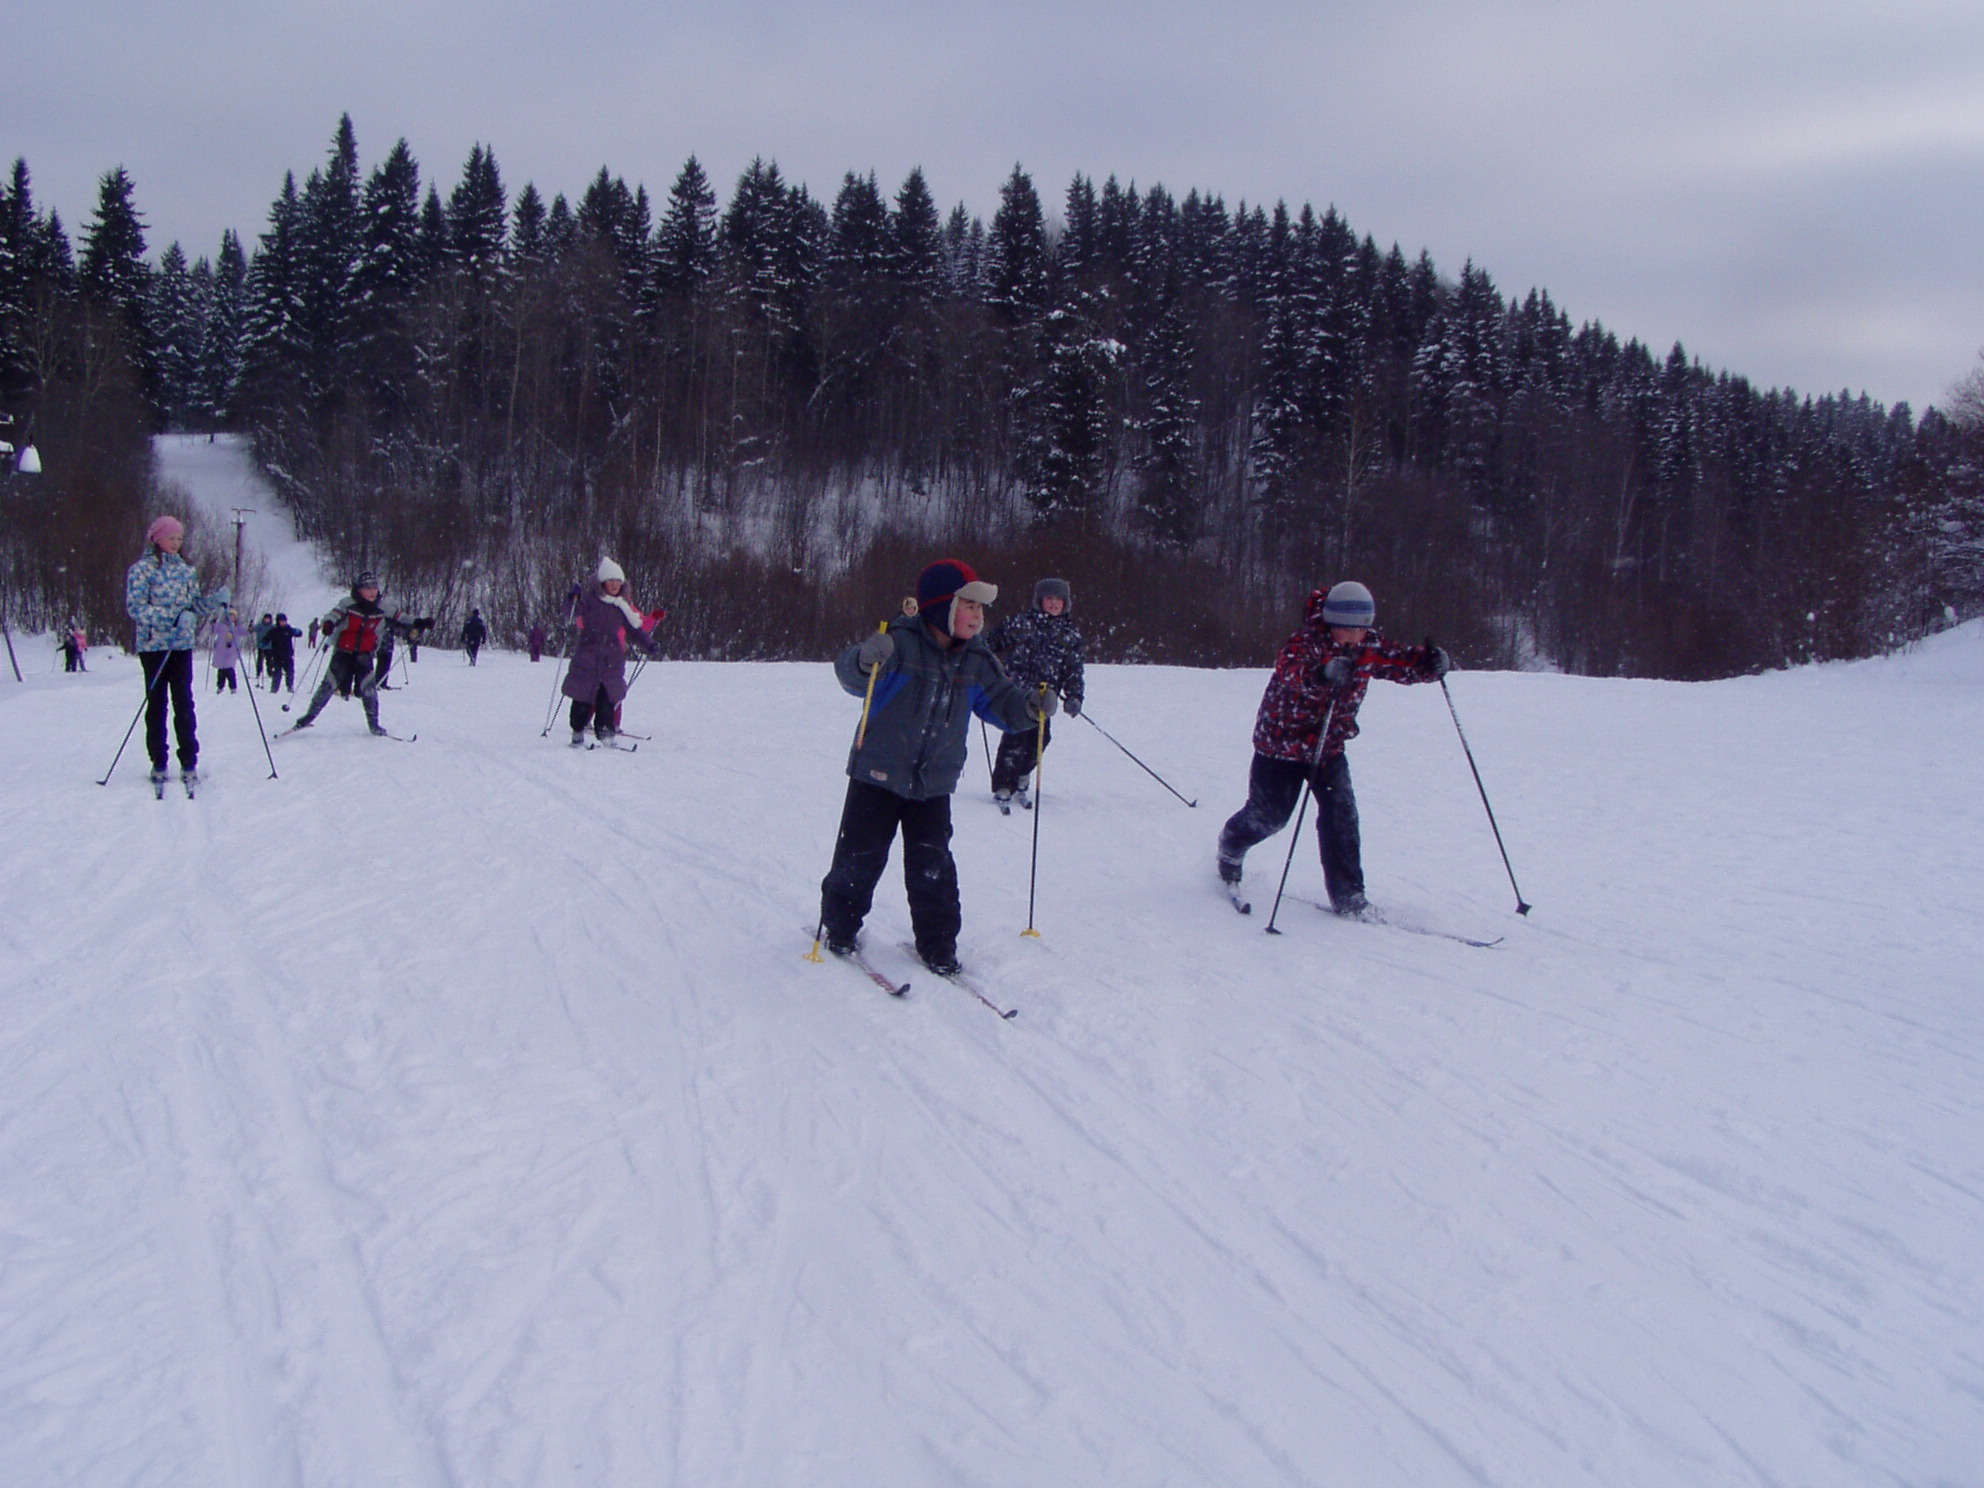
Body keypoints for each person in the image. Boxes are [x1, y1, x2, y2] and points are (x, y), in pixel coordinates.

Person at [817, 559, 1051, 975]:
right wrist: (862, 659)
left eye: (981, 609)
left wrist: (1030, 708)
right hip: (877, 774)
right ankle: (839, 927)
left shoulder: (975, 658)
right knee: (859, 857)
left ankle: (938, 944)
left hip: (934, 784)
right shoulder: (901, 643)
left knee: (934, 868)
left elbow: (1001, 702)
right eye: (970, 607)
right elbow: (855, 678)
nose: (978, 617)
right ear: (943, 606)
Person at [1215, 581, 1448, 916]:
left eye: (1361, 630)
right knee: (1271, 816)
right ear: (1330, 622)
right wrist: (1322, 674)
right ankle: (1232, 845)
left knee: (1341, 817)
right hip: (1281, 744)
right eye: (1347, 630)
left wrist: (1428, 664)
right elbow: (1291, 670)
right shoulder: (1306, 643)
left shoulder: (1368, 645)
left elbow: (1400, 661)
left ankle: (1349, 896)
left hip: (1328, 747)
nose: (1355, 638)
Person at [124, 515, 229, 789]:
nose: (175, 543)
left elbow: (193, 608)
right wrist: (173, 617)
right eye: (171, 537)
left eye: (179, 538)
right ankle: (159, 760)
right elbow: (136, 609)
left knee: (184, 702)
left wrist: (215, 602)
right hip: (154, 646)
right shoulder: (142, 570)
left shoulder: (186, 570)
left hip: (182, 646)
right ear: (157, 538)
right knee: (157, 703)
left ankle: (189, 760)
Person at [985, 577, 1086, 809]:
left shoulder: (1070, 635)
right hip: (1018, 694)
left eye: (1058, 600)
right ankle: (1003, 784)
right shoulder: (1022, 624)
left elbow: (1073, 670)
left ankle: (1023, 774)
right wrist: (985, 660)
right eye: (1048, 599)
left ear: (1065, 603)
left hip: (1045, 699)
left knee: (1039, 741)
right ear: (1039, 601)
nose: (1053, 604)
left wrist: (1074, 696)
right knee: (1014, 739)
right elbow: (992, 642)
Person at [289, 574, 431, 735]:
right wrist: (328, 624)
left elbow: (402, 617)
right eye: (367, 588)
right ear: (359, 590)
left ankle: (374, 725)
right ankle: (307, 718)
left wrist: (420, 622)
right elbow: (333, 615)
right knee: (328, 686)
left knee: (369, 690)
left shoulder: (383, 607)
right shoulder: (348, 604)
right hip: (344, 652)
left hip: (365, 654)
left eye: (374, 587)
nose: (372, 592)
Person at [562, 559, 663, 744]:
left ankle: (607, 735)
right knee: (582, 700)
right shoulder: (590, 600)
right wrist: (571, 598)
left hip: (612, 660)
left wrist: (649, 644)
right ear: (602, 582)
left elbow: (635, 629)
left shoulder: (622, 606)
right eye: (611, 581)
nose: (615, 585)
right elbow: (571, 613)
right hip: (588, 657)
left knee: (607, 700)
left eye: (618, 581)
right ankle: (577, 733)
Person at [211, 606, 249, 692]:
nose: (231, 618)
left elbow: (245, 632)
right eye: (230, 615)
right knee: (221, 670)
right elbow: (214, 630)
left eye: (233, 616)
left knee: (230, 669)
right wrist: (213, 624)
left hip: (232, 651)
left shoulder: (237, 627)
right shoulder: (222, 626)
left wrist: (250, 629)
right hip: (221, 651)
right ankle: (220, 686)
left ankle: (233, 687)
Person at [265, 612, 301, 693]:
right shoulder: (274, 630)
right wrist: (265, 642)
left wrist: (297, 631)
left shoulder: (288, 629)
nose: (282, 623)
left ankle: (290, 686)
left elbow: (299, 633)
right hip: (277, 655)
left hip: (288, 654)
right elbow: (266, 638)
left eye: (284, 621)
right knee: (277, 672)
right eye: (281, 621)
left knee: (290, 672)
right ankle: (274, 688)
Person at [253, 613, 274, 683]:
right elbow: (252, 629)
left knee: (269, 660)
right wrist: (250, 627)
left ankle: (270, 672)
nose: (267, 620)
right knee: (260, 660)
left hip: (270, 647)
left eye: (268, 619)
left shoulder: (272, 627)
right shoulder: (260, 626)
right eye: (266, 618)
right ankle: (258, 672)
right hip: (261, 646)